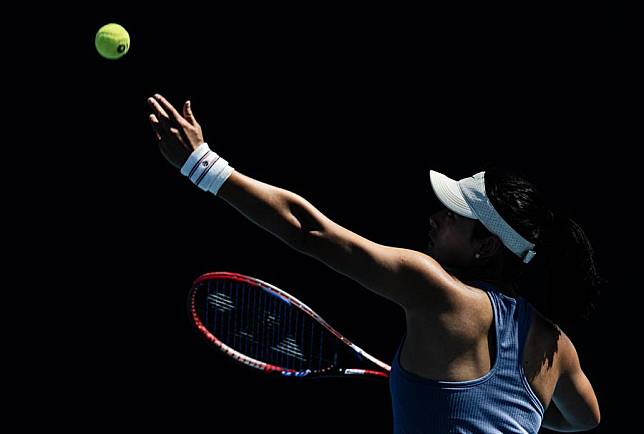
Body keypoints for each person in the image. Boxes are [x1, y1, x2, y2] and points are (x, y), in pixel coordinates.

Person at [147, 93, 602, 433]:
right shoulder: (555, 346)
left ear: (486, 247)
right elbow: (585, 419)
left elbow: (310, 232)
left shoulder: (435, 290)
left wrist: (201, 164)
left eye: (453, 215)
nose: (436, 218)